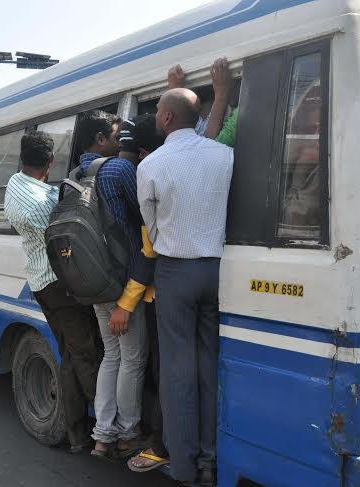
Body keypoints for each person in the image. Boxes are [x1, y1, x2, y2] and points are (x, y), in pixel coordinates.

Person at [137, 87, 234, 486]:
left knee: (177, 372)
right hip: (215, 270)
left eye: (159, 109)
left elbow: (151, 223)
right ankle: (210, 462)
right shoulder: (223, 154)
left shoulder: (152, 165)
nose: (157, 114)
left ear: (167, 119)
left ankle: (182, 465)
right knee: (208, 367)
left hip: (174, 272)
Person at [3, 131, 101, 453]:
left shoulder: (14, 186)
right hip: (60, 285)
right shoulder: (47, 202)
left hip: (39, 282)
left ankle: (77, 433)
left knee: (70, 353)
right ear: (50, 161)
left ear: (21, 159)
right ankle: (102, 431)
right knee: (84, 354)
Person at [76, 110, 151, 461]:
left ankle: (102, 434)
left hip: (92, 279)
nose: (120, 141)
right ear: (101, 139)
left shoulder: (73, 175)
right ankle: (128, 432)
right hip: (124, 281)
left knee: (112, 355)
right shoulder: (120, 170)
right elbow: (146, 216)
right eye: (115, 134)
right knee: (133, 358)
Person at [118, 115, 172, 473]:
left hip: (159, 294)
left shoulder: (149, 174)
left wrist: (125, 304)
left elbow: (148, 251)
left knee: (159, 372)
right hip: (191, 285)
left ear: (141, 153)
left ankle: (160, 442)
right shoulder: (204, 160)